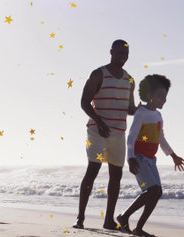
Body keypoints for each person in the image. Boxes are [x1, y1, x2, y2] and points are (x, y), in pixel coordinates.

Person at [73, 39, 139, 230]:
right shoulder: (98, 74)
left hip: (118, 133)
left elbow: (128, 108)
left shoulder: (130, 80)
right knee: (92, 171)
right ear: (111, 51)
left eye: (125, 55)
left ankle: (109, 220)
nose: (122, 58)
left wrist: (140, 110)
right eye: (119, 53)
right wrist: (99, 121)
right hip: (97, 131)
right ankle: (80, 218)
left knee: (116, 175)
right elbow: (84, 102)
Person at [117, 74, 184, 237]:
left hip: (151, 160)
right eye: (160, 96)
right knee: (153, 190)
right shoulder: (141, 113)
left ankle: (138, 228)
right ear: (149, 95)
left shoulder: (158, 116)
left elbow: (161, 138)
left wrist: (173, 155)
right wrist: (131, 158)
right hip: (139, 158)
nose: (164, 100)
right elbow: (131, 137)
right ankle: (124, 216)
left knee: (157, 192)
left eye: (165, 96)